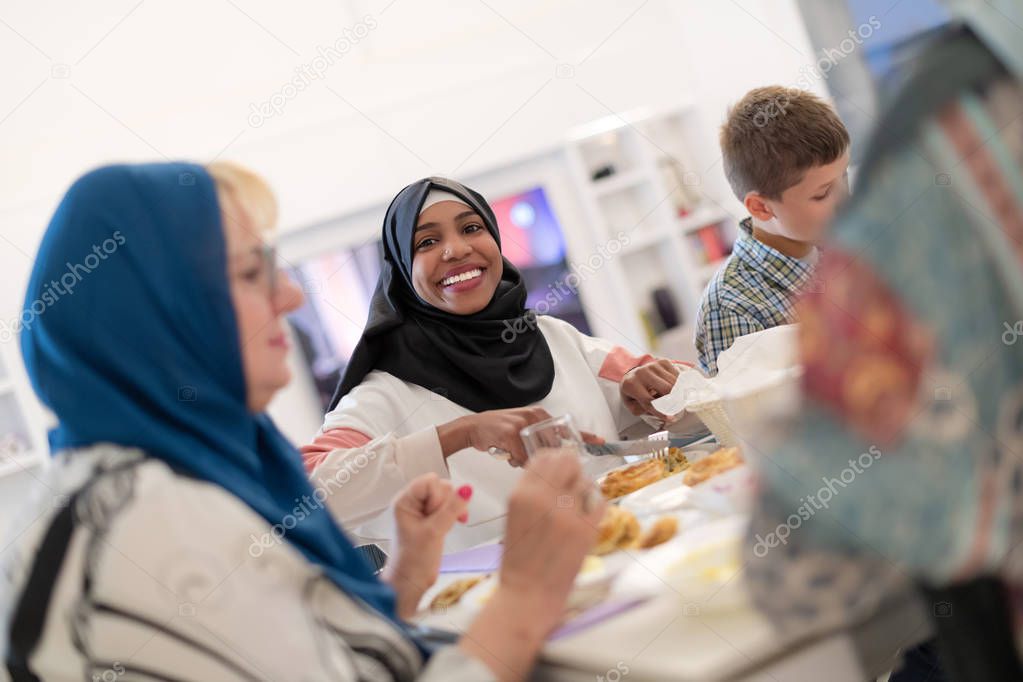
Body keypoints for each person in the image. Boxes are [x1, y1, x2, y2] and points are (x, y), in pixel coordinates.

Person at [1, 161, 606, 682]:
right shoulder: (150, 517)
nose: (289, 298)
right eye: (248, 274)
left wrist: (403, 581)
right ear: (154, 315)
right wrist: (527, 593)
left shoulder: (188, 470)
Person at [742, 2, 1023, 679]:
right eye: (820, 194)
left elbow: (800, 575)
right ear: (759, 206)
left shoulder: (939, 142)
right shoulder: (739, 294)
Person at [301, 177, 689, 550]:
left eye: (471, 228)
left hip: (625, 562)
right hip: (495, 607)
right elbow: (303, 494)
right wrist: (458, 434)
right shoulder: (384, 393)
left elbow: (694, 395)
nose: (456, 249)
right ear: (402, 271)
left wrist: (651, 385)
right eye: (428, 241)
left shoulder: (554, 338)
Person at [694, 86, 850, 375]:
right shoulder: (732, 308)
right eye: (823, 193)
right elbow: (758, 418)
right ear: (762, 208)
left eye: (845, 176)